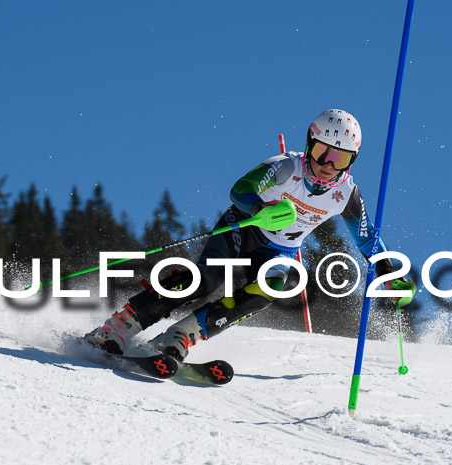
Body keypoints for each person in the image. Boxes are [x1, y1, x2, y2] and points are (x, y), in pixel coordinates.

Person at [84, 109, 416, 360]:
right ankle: (121, 325)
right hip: (242, 228)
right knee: (207, 281)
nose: (328, 165)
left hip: (280, 251)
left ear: (351, 161)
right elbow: (240, 188)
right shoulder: (287, 167)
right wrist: (259, 209)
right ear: (309, 145)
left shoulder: (346, 195)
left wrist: (390, 273)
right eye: (321, 153)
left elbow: (366, 237)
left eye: (339, 157)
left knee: (267, 290)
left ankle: (180, 336)